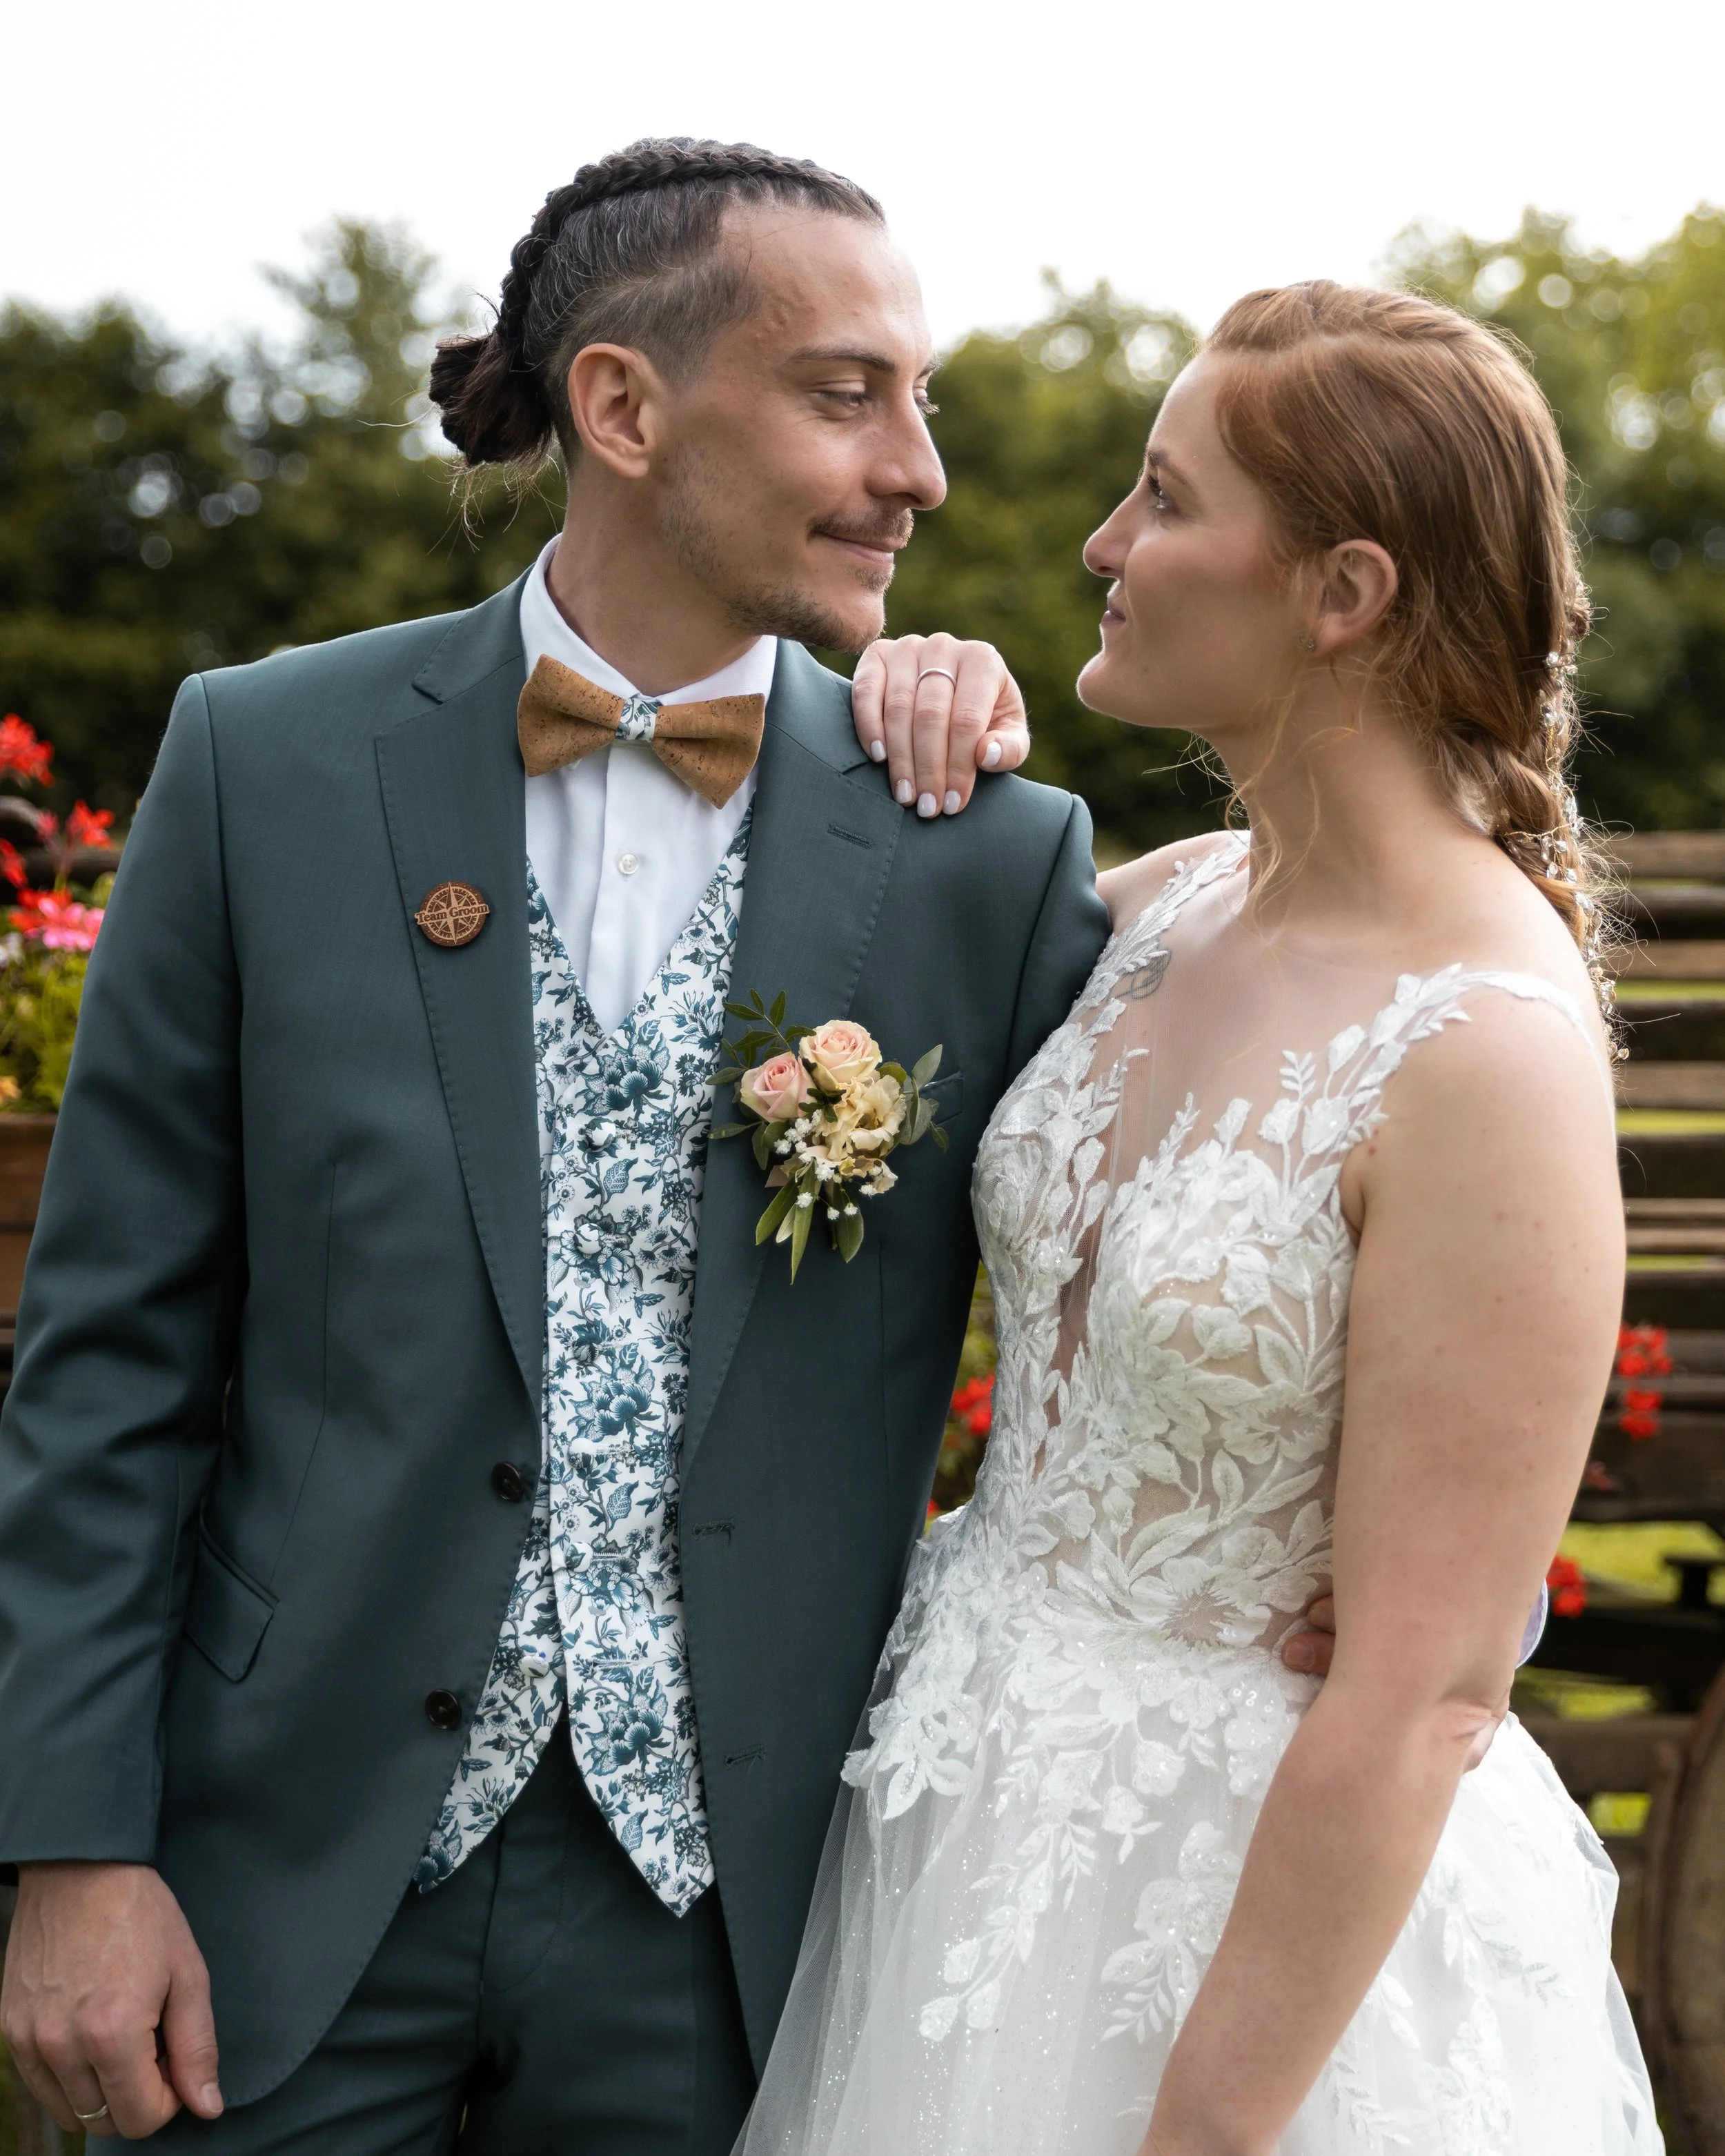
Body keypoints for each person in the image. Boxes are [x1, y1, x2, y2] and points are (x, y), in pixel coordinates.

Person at [0, 141, 1343, 2151]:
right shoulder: (263, 765)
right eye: (845, 395)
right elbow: (111, 1358)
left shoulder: (982, 857)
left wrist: (1416, 1585)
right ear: (622, 408)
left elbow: (1231, 1208)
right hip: (275, 1880)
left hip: (744, 1926)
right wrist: (74, 1845)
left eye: (921, 399)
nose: (920, 471)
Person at [736, 283, 1662, 2155]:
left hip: (1245, 1915)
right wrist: (923, 697)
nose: (1103, 543)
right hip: (957, 1807)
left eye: (1162, 498)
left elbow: (1420, 1693)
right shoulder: (1160, 906)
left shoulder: (1485, 1045)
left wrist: (1206, 2132)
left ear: (1343, 592)